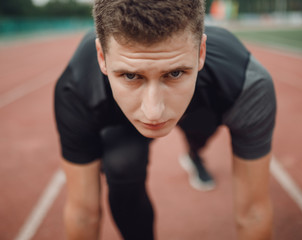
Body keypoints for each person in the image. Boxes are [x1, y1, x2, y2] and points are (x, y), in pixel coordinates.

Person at [54, 0, 276, 239]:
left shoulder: (246, 83)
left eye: (175, 73)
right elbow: (83, 214)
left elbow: (253, 212)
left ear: (201, 53)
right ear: (101, 57)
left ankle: (194, 153)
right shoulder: (76, 88)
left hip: (205, 105)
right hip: (121, 121)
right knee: (122, 165)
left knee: (199, 134)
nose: (154, 112)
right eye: (130, 75)